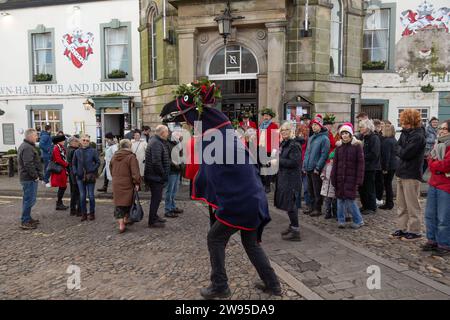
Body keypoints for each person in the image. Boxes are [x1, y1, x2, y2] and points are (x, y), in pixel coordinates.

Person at [391, 109, 426, 241]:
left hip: (412, 173)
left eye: (405, 122)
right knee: (401, 204)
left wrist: (400, 150)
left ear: (411, 122)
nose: (403, 124)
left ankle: (415, 230)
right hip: (402, 171)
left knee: (412, 205)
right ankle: (402, 227)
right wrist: (401, 150)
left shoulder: (418, 136)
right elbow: (397, 148)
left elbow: (405, 153)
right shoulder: (405, 134)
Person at [423, 119, 450, 256]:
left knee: (443, 217)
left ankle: (444, 243)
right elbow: (430, 159)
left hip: (446, 186)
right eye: (441, 128)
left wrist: (436, 166)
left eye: (445, 129)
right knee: (430, 215)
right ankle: (431, 240)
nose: (441, 130)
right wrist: (436, 166)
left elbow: (446, 165)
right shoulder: (438, 144)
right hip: (434, 183)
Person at [331, 123, 365, 229]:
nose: (344, 135)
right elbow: (335, 164)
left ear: (350, 134)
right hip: (340, 178)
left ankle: (358, 220)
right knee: (340, 200)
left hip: (351, 179)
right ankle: (341, 220)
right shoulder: (339, 148)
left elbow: (361, 164)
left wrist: (359, 179)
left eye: (346, 133)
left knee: (350, 200)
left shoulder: (356, 147)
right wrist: (333, 177)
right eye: (342, 133)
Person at [273, 122, 302, 241]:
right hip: (284, 177)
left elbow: (295, 162)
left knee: (291, 204)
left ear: (291, 131)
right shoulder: (284, 143)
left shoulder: (294, 144)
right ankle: (292, 226)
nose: (284, 131)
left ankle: (296, 231)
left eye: (286, 130)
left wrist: (278, 161)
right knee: (287, 204)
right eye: (282, 130)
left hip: (292, 179)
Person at [110, 139, 141, 233]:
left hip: (116, 182)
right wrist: (137, 183)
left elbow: (111, 169)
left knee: (119, 204)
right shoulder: (131, 157)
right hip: (128, 183)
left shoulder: (114, 156)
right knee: (128, 203)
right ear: (129, 146)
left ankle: (121, 225)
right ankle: (125, 219)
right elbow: (135, 172)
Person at [302, 114, 330, 217]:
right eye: (313, 125)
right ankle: (311, 207)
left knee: (317, 189)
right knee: (310, 189)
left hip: (316, 168)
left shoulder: (324, 139)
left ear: (320, 126)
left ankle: (317, 208)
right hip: (308, 167)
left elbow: (324, 155)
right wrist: (304, 165)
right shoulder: (311, 138)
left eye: (316, 125)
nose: (314, 127)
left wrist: (318, 167)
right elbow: (307, 153)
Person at [144, 125, 170, 227]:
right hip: (155, 177)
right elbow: (156, 162)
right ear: (162, 133)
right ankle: (152, 221)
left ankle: (154, 216)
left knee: (157, 198)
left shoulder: (157, 141)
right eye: (167, 132)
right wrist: (163, 174)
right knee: (156, 199)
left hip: (155, 176)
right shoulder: (156, 143)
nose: (168, 134)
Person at [18, 129, 43, 230]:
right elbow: (28, 164)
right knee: (29, 200)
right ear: (30, 136)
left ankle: (27, 218)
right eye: (36, 135)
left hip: (27, 177)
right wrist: (35, 176)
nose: (37, 137)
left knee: (28, 199)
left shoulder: (26, 146)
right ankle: (25, 221)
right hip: (28, 178)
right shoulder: (27, 147)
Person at [73, 134, 100, 222]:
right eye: (83, 140)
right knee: (82, 196)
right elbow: (73, 164)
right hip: (80, 177)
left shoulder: (93, 151)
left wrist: (92, 169)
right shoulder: (77, 152)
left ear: (89, 142)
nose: (85, 142)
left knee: (91, 196)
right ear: (80, 141)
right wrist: (76, 172)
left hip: (90, 176)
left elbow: (98, 162)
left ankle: (92, 213)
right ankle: (84, 214)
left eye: (87, 141)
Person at [358, 119, 381, 215]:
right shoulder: (363, 137)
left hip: (370, 167)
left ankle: (371, 207)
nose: (360, 129)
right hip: (363, 166)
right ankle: (365, 205)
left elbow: (374, 154)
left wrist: (361, 156)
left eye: (361, 127)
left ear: (367, 128)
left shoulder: (374, 138)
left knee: (369, 188)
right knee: (362, 188)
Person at [258, 107, 279, 193]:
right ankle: (263, 183)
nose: (266, 117)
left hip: (269, 150)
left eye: (267, 116)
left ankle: (267, 185)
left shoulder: (274, 125)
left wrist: (274, 151)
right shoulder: (261, 125)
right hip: (261, 148)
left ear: (271, 117)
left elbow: (276, 138)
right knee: (261, 166)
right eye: (264, 116)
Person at [165, 130, 184, 218]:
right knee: (170, 190)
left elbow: (181, 155)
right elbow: (167, 158)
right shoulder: (168, 144)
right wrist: (175, 164)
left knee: (174, 190)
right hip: (172, 170)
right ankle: (168, 209)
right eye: (179, 136)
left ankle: (172, 206)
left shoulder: (178, 143)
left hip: (177, 169)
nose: (180, 137)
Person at [379, 124, 398, 210]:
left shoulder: (387, 141)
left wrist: (384, 168)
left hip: (389, 166)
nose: (381, 131)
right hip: (393, 165)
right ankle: (389, 202)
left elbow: (386, 156)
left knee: (387, 185)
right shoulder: (393, 139)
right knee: (388, 184)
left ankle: (389, 203)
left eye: (383, 130)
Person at [296, 114, 312, 210]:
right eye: (304, 120)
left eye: (307, 120)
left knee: (306, 186)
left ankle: (308, 203)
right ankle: (297, 204)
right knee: (298, 185)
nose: (305, 122)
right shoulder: (297, 140)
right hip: (298, 162)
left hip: (306, 162)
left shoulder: (310, 137)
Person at [50, 134, 69, 211]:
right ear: (59, 141)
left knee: (63, 186)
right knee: (62, 186)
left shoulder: (60, 147)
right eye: (63, 140)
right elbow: (58, 159)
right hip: (60, 169)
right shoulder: (56, 148)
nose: (64, 141)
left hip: (62, 169)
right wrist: (66, 164)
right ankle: (59, 203)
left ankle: (59, 203)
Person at [67, 137, 81, 216]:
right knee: (78, 193)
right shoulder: (74, 151)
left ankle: (73, 210)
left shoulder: (69, 149)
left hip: (72, 174)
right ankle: (78, 211)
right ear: (71, 142)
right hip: (75, 174)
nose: (78, 143)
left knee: (74, 193)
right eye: (76, 141)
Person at [320, 151, 337, 219]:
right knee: (327, 201)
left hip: (333, 187)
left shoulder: (337, 167)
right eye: (331, 159)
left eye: (334, 159)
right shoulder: (327, 165)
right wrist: (323, 176)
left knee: (334, 202)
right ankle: (328, 212)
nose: (332, 160)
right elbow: (323, 172)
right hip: (326, 186)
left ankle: (335, 213)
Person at [373, 119, 384, 206]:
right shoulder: (378, 135)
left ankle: (379, 198)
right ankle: (377, 198)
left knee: (379, 182)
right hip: (379, 162)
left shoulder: (379, 136)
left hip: (379, 162)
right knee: (377, 182)